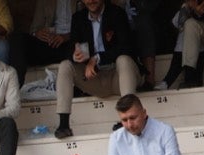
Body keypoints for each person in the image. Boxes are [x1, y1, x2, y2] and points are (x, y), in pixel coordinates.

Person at [52, 0, 139, 139]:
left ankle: (127, 118)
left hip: (119, 77)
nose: (91, 1)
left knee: (124, 59)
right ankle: (63, 125)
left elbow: (126, 47)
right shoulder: (78, 18)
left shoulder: (116, 13)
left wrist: (97, 58)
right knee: (65, 65)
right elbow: (70, 48)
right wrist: (76, 55)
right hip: (94, 78)